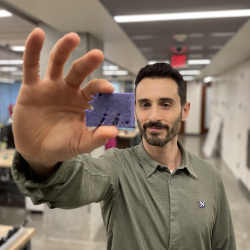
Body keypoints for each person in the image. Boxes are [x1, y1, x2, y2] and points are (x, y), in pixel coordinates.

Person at [11, 28, 236, 250]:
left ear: (185, 110)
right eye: (145, 104)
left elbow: (224, 245)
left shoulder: (210, 179)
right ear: (135, 108)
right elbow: (68, 185)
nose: (154, 116)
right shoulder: (116, 168)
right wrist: (39, 160)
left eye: (166, 104)